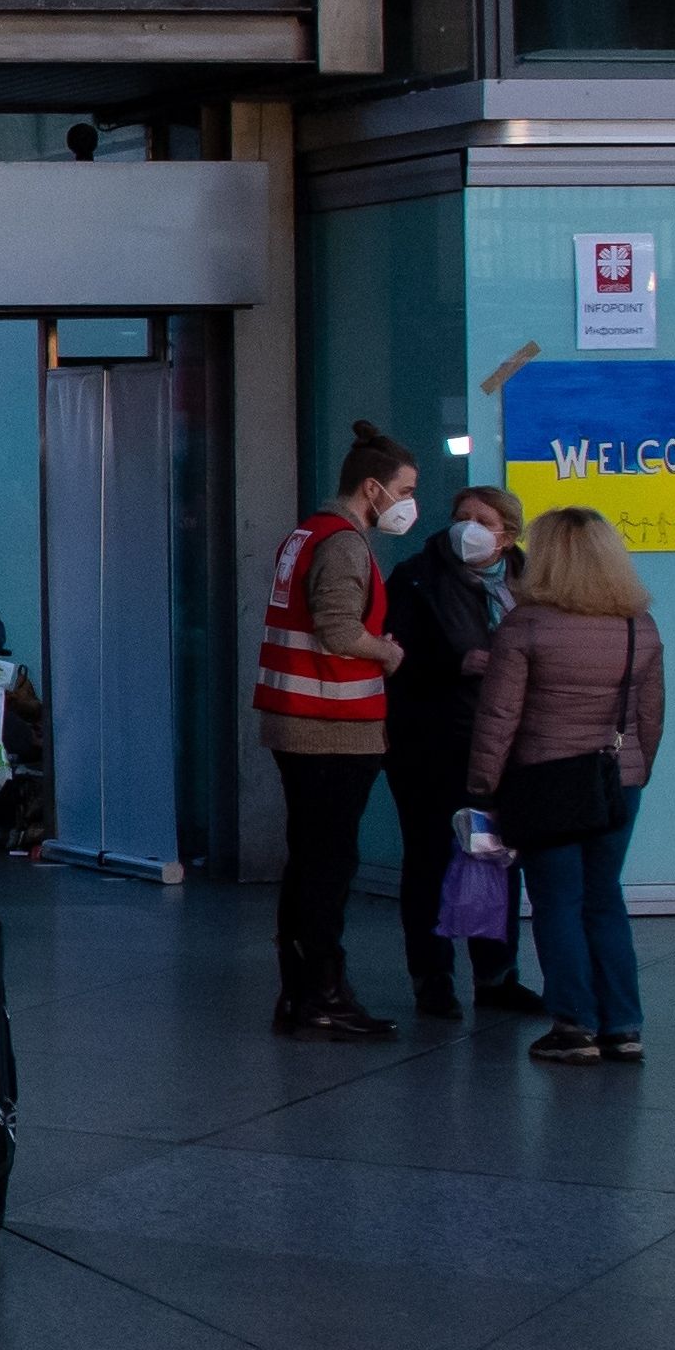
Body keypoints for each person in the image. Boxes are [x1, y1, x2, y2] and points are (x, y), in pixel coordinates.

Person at [469, 508, 669, 1071]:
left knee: (558, 902)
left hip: (545, 781)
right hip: (616, 782)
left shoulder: (526, 626)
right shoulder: (639, 625)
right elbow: (651, 718)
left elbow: (498, 718)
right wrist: (635, 771)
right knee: (605, 898)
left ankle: (573, 1025)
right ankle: (624, 1026)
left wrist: (483, 789)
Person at [256, 423, 420, 1041]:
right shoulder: (346, 544)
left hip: (296, 717)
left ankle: (301, 992)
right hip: (332, 724)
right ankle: (323, 992)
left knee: (309, 860)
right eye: (405, 489)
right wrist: (390, 654)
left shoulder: (307, 533)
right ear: (373, 489)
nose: (409, 502)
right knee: (328, 863)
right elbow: (340, 630)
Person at [383, 486, 540, 1023]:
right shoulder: (417, 576)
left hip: (502, 742)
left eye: (482, 519)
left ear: (508, 535)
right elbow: (393, 655)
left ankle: (496, 976)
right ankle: (433, 977)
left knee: (494, 856)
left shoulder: (530, 582)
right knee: (429, 858)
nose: (467, 527)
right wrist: (457, 663)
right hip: (431, 739)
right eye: (460, 517)